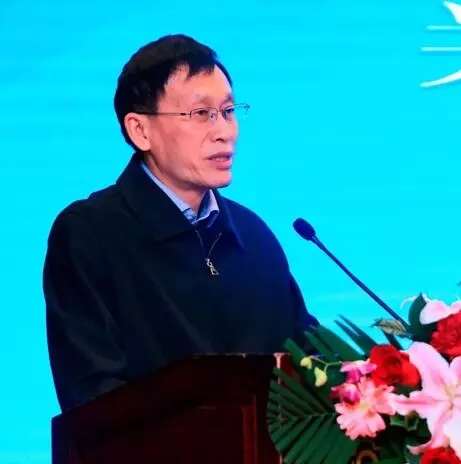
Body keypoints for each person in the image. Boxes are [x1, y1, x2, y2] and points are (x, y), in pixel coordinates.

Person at [43, 34, 319, 412]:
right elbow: (94, 397)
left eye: (228, 111)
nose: (224, 131)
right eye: (201, 113)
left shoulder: (254, 236)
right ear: (140, 130)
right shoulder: (89, 234)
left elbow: (310, 362)